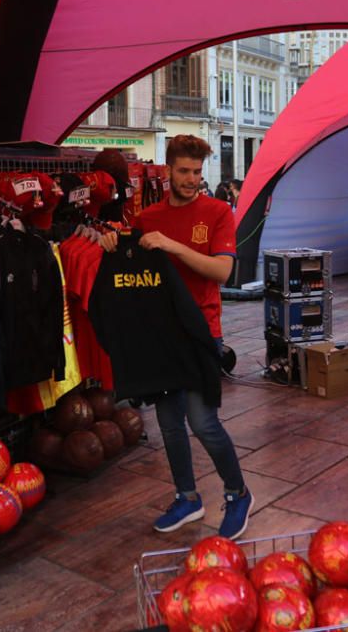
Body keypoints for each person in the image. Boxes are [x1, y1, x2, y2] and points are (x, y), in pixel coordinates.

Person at [100, 134, 253, 539]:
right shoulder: (147, 217)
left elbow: (222, 272)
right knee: (169, 424)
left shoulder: (219, 211)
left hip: (203, 332)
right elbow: (129, 263)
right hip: (160, 336)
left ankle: (238, 493)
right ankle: (187, 497)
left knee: (203, 423)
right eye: (183, 171)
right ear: (167, 170)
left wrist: (172, 246)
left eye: (197, 172)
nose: (191, 179)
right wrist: (113, 243)